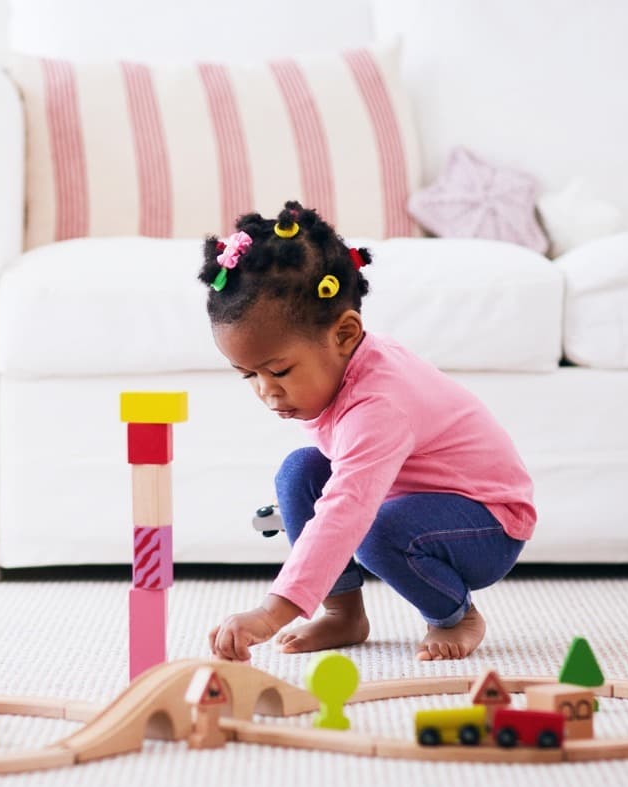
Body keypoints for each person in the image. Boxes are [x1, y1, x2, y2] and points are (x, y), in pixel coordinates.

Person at [199, 201, 536, 662]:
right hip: (412, 502)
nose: (265, 391)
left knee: (373, 531)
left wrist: (272, 612)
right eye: (249, 376)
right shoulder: (346, 364)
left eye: (278, 370)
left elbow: (347, 511)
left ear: (345, 334)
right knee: (300, 472)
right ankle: (344, 614)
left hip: (487, 522)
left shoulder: (379, 404)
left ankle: (456, 616)